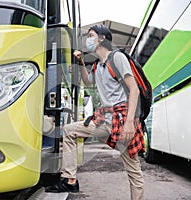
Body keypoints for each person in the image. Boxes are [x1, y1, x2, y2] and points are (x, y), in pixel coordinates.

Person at [45, 24, 145, 200]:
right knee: (69, 131)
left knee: (133, 170)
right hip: (104, 121)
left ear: (102, 38)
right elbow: (88, 82)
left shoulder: (117, 58)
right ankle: (70, 180)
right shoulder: (98, 66)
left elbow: (134, 90)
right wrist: (82, 63)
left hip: (122, 121)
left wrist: (130, 122)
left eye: (91, 35)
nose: (88, 39)